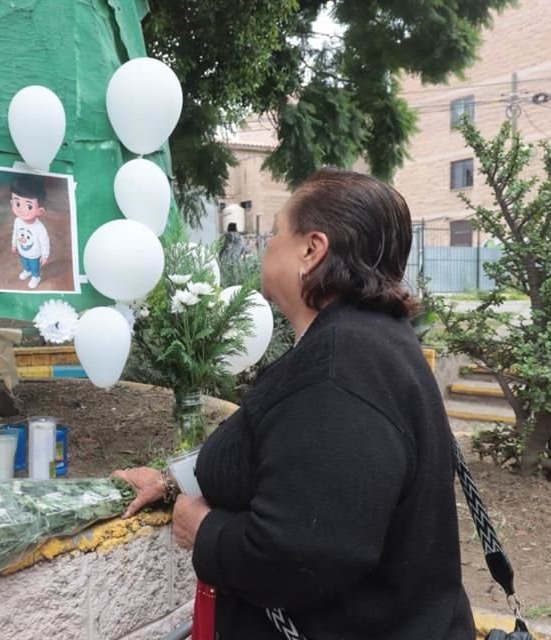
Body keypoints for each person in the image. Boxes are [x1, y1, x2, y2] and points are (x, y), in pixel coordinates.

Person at [115, 169, 475, 639]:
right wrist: (170, 482)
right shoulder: (371, 342)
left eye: (275, 232)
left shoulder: (338, 371)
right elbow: (297, 460)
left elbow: (302, 554)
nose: (265, 246)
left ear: (312, 249)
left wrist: (206, 532)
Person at [9, 174, 51, 289]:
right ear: (12, 203)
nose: (21, 210)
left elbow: (45, 242)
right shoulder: (17, 221)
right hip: (22, 250)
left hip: (34, 254)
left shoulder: (39, 228)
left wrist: (45, 255)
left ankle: (36, 277)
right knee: (24, 262)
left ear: (40, 211)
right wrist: (14, 245)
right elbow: (15, 233)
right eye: (17, 204)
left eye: (29, 206)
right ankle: (27, 271)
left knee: (34, 266)